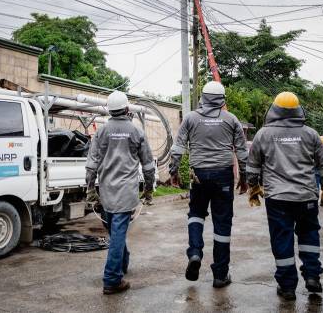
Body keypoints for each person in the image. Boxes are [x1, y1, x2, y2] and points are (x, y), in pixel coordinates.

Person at [247, 92, 323, 301]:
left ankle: (288, 287)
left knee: (282, 240)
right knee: (309, 235)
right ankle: (313, 276)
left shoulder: (263, 134)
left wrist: (253, 189)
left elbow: (252, 167)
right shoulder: (311, 134)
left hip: (277, 199)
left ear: (274, 109)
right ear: (298, 110)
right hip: (306, 196)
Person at [169, 81, 249, 288]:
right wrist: (245, 178)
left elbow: (178, 148)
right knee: (222, 223)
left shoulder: (190, 118)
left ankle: (195, 253)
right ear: (223, 99)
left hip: (199, 176)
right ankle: (220, 275)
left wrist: (173, 172)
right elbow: (242, 152)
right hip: (223, 176)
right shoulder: (231, 120)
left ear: (202, 97)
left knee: (196, 213)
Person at [85, 91, 155, 295]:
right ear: (127, 109)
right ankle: (112, 280)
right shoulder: (136, 132)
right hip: (126, 193)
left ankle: (122, 264)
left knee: (116, 232)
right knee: (117, 234)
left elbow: (91, 165)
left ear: (109, 110)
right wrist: (148, 191)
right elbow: (148, 166)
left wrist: (90, 190)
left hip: (106, 192)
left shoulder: (102, 132)